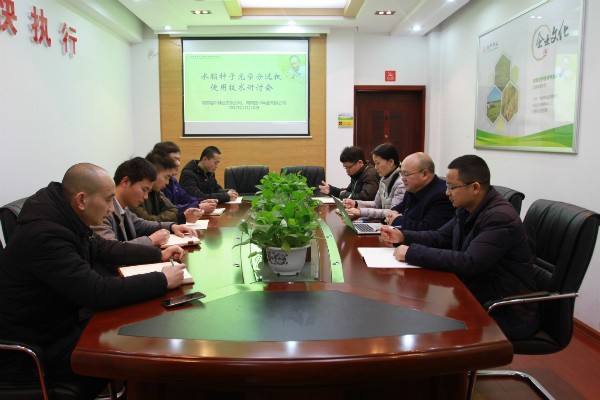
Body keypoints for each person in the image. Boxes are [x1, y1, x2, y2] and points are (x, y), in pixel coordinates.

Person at [0, 163, 187, 399]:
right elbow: (96, 291)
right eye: (108, 200)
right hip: (35, 348)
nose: (111, 209)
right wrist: (161, 279)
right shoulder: (45, 234)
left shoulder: (65, 215)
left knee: (139, 329)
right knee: (137, 348)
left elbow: (103, 248)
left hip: (60, 322)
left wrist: (158, 255)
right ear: (81, 200)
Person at [380, 155, 538, 340]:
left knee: (422, 327)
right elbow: (440, 237)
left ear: (475, 188)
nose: (447, 193)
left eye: (452, 187)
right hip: (474, 292)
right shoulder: (466, 209)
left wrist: (412, 252)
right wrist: (403, 236)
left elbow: (470, 262)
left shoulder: (499, 217)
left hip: (503, 309)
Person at [92, 157, 197, 247]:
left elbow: (140, 224)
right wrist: (151, 240)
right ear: (125, 182)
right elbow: (111, 249)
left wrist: (172, 227)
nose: (146, 197)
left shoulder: (123, 207)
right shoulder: (102, 211)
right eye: (144, 189)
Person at [384, 152, 454, 230]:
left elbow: (428, 228)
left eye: (406, 174)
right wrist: (391, 214)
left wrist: (396, 220)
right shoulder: (412, 189)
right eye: (401, 173)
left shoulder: (441, 195)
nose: (402, 178)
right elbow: (399, 208)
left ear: (424, 174)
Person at [152, 141, 217, 222]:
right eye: (175, 159)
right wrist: (198, 206)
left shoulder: (173, 180)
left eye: (179, 159)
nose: (178, 163)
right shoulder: (157, 184)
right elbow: (170, 209)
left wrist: (200, 201)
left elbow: (185, 197)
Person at [343, 143, 405, 220]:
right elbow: (376, 204)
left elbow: (392, 213)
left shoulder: (401, 183)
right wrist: (355, 203)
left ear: (391, 162)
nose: (375, 167)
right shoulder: (383, 179)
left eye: (378, 163)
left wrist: (361, 212)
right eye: (375, 164)